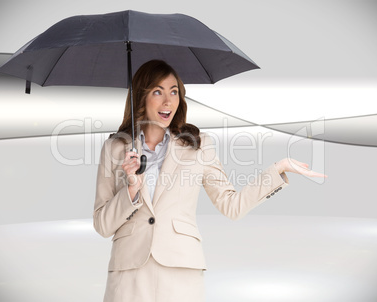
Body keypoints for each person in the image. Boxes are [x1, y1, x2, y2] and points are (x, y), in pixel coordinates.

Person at [93, 60, 327, 302]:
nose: (168, 101)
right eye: (157, 92)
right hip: (128, 270)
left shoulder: (198, 144)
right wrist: (131, 189)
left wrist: (278, 170)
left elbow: (231, 205)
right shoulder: (116, 147)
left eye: (174, 92)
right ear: (141, 97)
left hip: (180, 269)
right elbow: (102, 224)